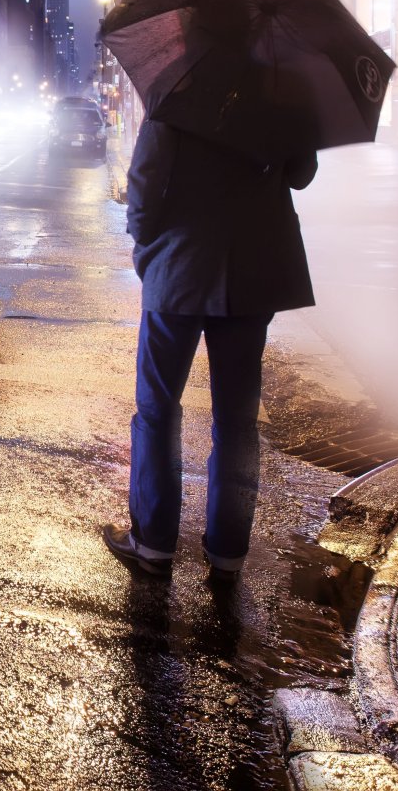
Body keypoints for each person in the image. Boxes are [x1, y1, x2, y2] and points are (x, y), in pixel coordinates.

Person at [102, 114, 317, 584]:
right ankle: (227, 552)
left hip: (179, 264)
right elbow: (301, 174)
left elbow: (146, 181)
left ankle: (153, 542)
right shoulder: (280, 91)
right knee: (237, 419)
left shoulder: (180, 90)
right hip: (252, 267)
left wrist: (145, 244)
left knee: (158, 407)